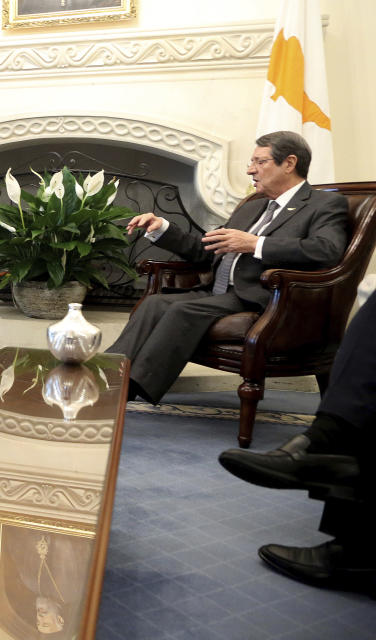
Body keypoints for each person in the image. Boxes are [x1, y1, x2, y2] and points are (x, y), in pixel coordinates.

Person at [108, 131, 349, 404]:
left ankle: (128, 389)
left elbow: (327, 250)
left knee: (181, 309)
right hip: (218, 292)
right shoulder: (252, 207)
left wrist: (256, 244)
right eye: (251, 162)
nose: (250, 170)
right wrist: (163, 228)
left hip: (265, 299)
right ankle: (107, 374)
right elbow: (206, 250)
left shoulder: (324, 204)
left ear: (289, 163)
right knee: (153, 304)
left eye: (260, 162)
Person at [218, 290, 376, 592]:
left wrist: (254, 247)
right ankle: (326, 446)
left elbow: (324, 249)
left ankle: (356, 551)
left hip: (282, 294)